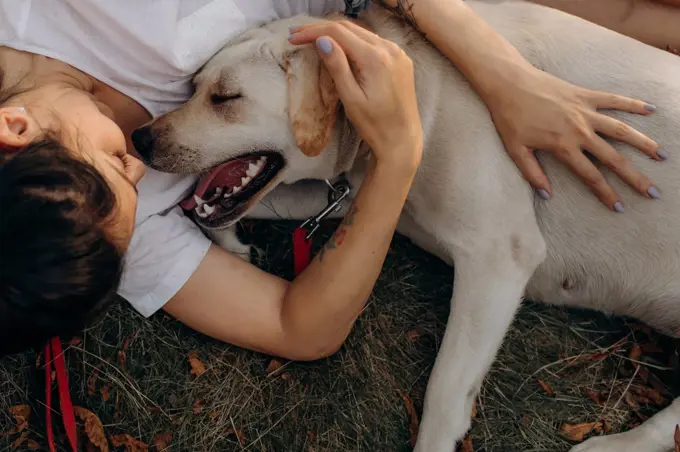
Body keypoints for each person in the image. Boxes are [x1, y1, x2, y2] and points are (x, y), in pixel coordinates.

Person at [0, 0, 672, 358]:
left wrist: (504, 76)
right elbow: (301, 329)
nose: (142, 166)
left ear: (14, 129)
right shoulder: (97, 234)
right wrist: (397, 157)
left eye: (115, 161)